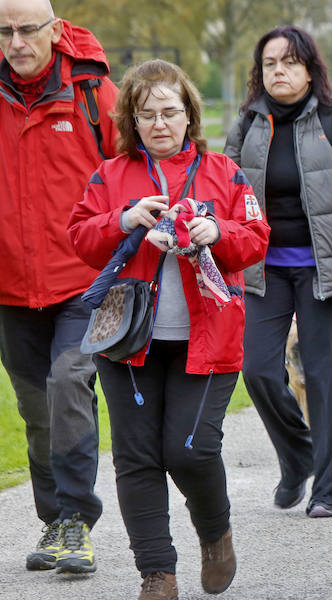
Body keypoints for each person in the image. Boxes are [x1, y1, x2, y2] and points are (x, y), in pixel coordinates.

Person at [68, 59, 269, 600]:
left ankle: (215, 532)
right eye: (146, 114)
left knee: (190, 450)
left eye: (170, 112)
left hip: (207, 341)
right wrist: (124, 220)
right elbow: (80, 239)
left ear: (189, 116)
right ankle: (157, 573)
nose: (159, 124)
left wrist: (216, 229)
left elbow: (255, 239)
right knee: (136, 458)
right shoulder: (111, 175)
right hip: (128, 341)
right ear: (131, 120)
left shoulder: (224, 172)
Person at [224, 26, 332, 517]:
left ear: (310, 70)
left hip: (323, 270)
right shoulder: (245, 126)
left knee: (325, 378)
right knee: (256, 369)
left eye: (290, 62)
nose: (279, 70)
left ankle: (329, 490)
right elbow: (226, 199)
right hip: (262, 270)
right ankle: (299, 457)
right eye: (270, 62)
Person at [0, 0, 117, 575]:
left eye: (27, 29)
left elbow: (134, 166)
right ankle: (54, 522)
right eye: (5, 31)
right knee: (36, 407)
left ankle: (76, 519)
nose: (16, 41)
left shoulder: (94, 93)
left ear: (54, 29)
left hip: (83, 282)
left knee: (69, 383)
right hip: (10, 286)